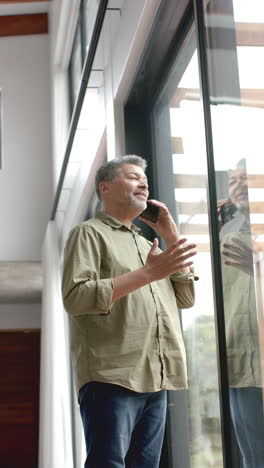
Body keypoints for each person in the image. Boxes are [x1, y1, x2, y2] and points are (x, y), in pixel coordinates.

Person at [62, 155, 197, 468]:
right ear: (105, 187)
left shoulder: (148, 244)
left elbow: (186, 297)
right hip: (112, 375)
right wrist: (147, 275)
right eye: (133, 176)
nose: (144, 183)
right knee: (107, 463)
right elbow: (76, 297)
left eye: (145, 180)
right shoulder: (88, 233)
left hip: (158, 377)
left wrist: (171, 235)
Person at [218, 162, 264, 468]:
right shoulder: (227, 229)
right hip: (237, 353)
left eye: (246, 178)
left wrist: (259, 267)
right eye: (233, 180)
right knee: (252, 451)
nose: (238, 184)